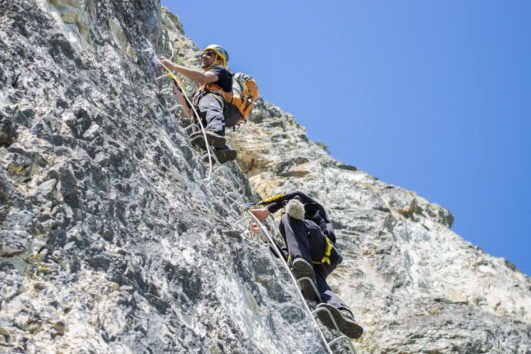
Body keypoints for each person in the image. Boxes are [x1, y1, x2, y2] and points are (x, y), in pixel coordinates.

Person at [251, 191, 363, 339]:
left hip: (323, 247)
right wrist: (265, 237)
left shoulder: (317, 212)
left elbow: (297, 194)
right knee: (319, 286)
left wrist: (267, 210)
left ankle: (301, 263)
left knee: (287, 219)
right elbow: (284, 256)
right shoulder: (295, 238)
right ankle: (344, 314)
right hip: (320, 265)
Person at [159, 44, 236, 163]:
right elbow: (189, 112)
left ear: (220, 60)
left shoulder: (220, 71)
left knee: (208, 105)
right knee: (202, 122)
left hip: (213, 100)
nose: (204, 56)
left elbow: (202, 78)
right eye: (203, 54)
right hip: (201, 112)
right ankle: (221, 150)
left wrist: (173, 66)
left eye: (210, 54)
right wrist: (173, 82)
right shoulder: (201, 90)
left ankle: (215, 132)